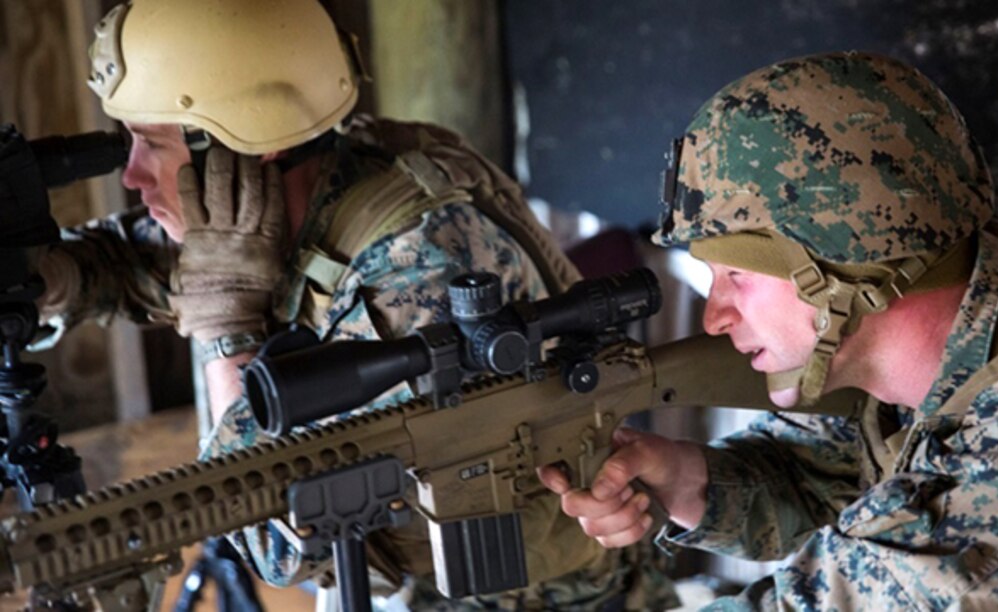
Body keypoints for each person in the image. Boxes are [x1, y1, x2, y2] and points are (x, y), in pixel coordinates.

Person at [29, 0, 679, 609]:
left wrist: (224, 329)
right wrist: (43, 277)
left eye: (153, 144)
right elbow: (140, 262)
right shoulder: (329, 176)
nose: (132, 176)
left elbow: (273, 539)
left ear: (242, 153)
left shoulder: (412, 273)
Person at [540, 50, 998, 609]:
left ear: (849, 266)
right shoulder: (955, 357)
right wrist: (683, 479)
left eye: (736, 274)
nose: (716, 316)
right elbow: (838, 470)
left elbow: (845, 597)